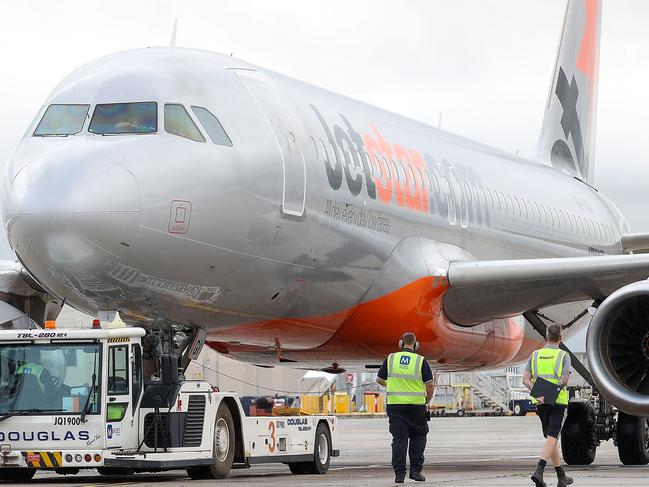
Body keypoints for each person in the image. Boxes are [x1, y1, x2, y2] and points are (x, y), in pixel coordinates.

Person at [376, 332, 434, 483]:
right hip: (416, 407)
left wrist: (392, 385)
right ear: (415, 345)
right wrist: (427, 399)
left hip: (395, 406)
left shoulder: (391, 359)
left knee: (399, 439)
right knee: (419, 437)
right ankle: (415, 471)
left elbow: (379, 380)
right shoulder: (420, 361)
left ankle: (399, 475)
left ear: (400, 343)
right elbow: (430, 384)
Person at [523, 323, 574, 487]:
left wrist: (539, 393)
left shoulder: (535, 355)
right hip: (557, 402)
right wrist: (552, 393)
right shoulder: (564, 356)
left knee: (551, 440)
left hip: (541, 402)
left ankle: (561, 476)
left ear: (546, 337)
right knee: (552, 438)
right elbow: (564, 381)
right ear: (561, 338)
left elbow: (525, 380)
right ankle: (539, 469)